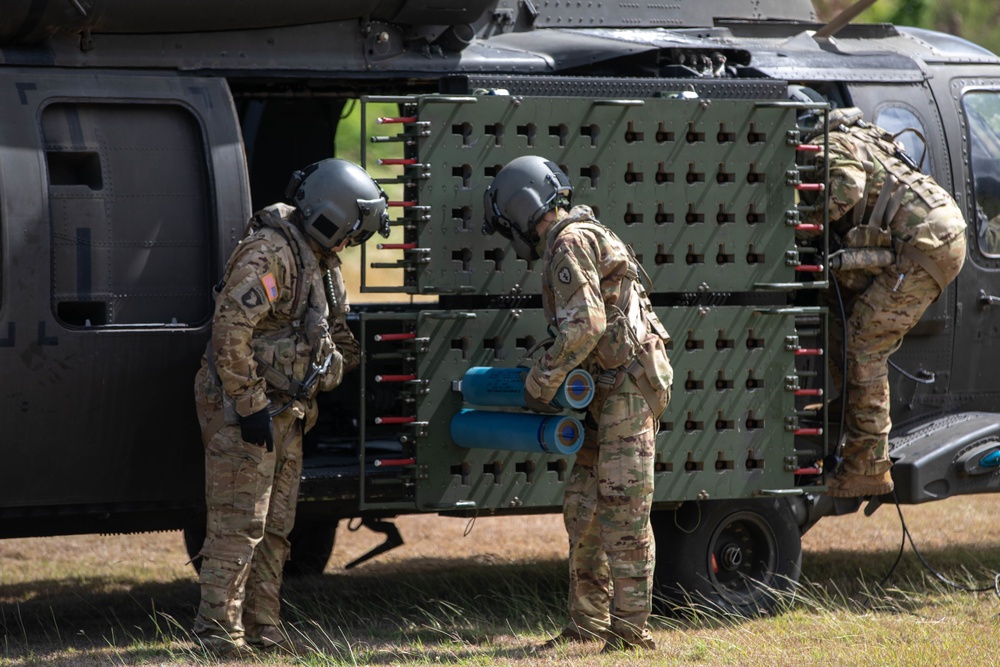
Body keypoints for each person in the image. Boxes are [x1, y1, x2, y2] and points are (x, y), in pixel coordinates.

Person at [192, 158, 388, 654]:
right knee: (239, 525)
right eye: (351, 233)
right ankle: (218, 633)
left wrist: (336, 365)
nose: (350, 245)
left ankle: (263, 628)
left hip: (288, 410)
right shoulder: (269, 255)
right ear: (331, 218)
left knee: (277, 527)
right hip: (246, 408)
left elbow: (338, 333)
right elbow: (230, 331)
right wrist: (250, 404)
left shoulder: (319, 263)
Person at [483, 155, 673, 651]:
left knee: (623, 511)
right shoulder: (580, 233)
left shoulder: (568, 241)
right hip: (606, 390)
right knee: (584, 509)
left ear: (523, 210)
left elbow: (586, 322)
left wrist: (542, 382)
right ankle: (585, 624)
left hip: (626, 390)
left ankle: (631, 634)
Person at [796, 101, 967, 498]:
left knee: (865, 341)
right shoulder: (862, 135)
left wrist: (799, 223)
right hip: (929, 237)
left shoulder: (830, 143)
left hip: (927, 245)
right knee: (848, 324)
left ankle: (868, 466)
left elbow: (847, 188)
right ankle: (847, 421)